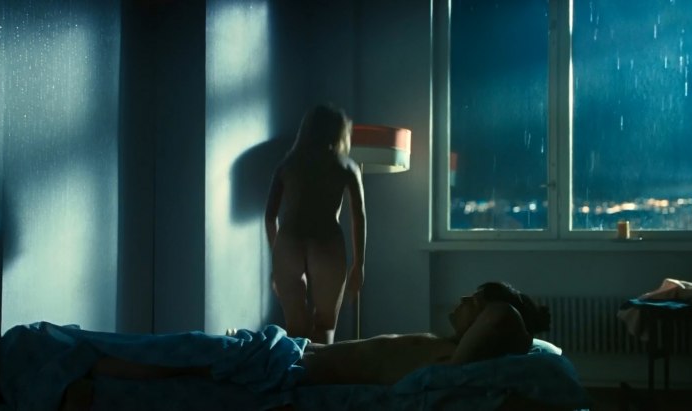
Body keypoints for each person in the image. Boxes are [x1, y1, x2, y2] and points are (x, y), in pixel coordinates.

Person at [59, 282, 551, 410]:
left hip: (289, 371)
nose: (462, 301)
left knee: (189, 363)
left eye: (473, 301)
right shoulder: (443, 346)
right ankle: (93, 366)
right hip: (290, 352)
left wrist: (512, 303)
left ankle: (92, 373)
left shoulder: (453, 362)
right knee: (189, 352)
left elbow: (504, 319)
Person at [265, 103, 366, 344]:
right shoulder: (346, 166)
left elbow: (270, 216)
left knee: (295, 329)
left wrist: (276, 257)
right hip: (326, 242)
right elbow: (359, 216)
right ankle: (321, 367)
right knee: (325, 325)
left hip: (289, 243)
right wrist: (359, 264)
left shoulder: (287, 165)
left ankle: (296, 368)